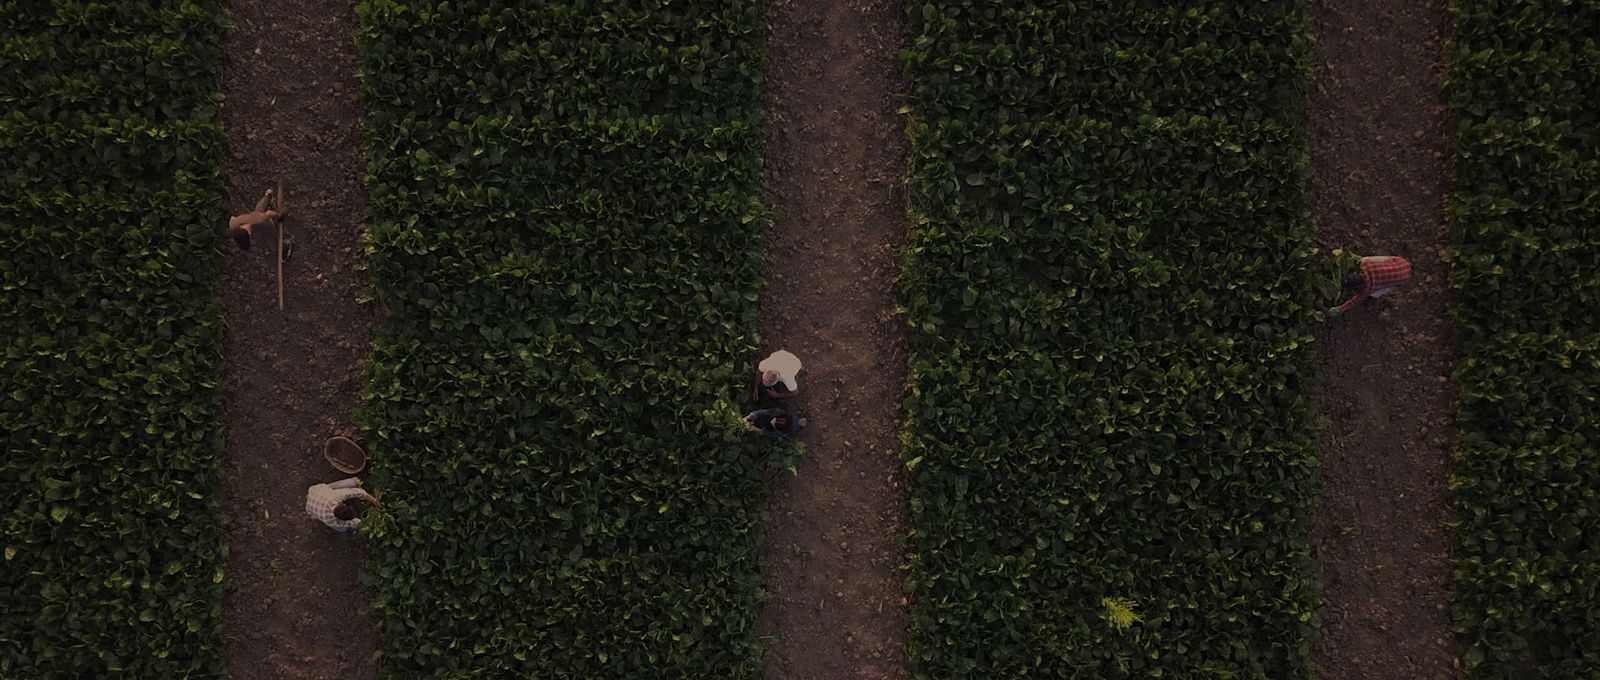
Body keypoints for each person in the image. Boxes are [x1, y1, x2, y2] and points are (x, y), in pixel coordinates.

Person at [1328, 255, 1412, 317]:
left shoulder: (1369, 287)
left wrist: (1340, 309)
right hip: (1401, 262)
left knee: (1375, 295)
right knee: (1364, 259)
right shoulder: (1366, 265)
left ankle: (1384, 288)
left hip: (1403, 279)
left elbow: (1355, 300)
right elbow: (1363, 262)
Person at [305, 477, 378, 533]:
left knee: (353, 482)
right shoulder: (330, 520)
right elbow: (351, 523)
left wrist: (374, 501)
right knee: (342, 529)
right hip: (311, 505)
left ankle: (329, 488)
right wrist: (365, 524)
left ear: (343, 505)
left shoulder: (336, 496)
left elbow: (359, 492)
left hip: (317, 490)